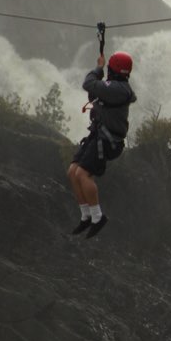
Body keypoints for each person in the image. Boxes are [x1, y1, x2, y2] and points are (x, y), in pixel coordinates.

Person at [67, 51, 137, 238]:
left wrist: (98, 67)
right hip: (98, 135)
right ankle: (86, 216)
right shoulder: (118, 88)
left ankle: (98, 217)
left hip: (106, 140)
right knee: (73, 171)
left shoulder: (117, 88)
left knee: (82, 174)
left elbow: (88, 83)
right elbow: (95, 94)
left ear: (112, 70)